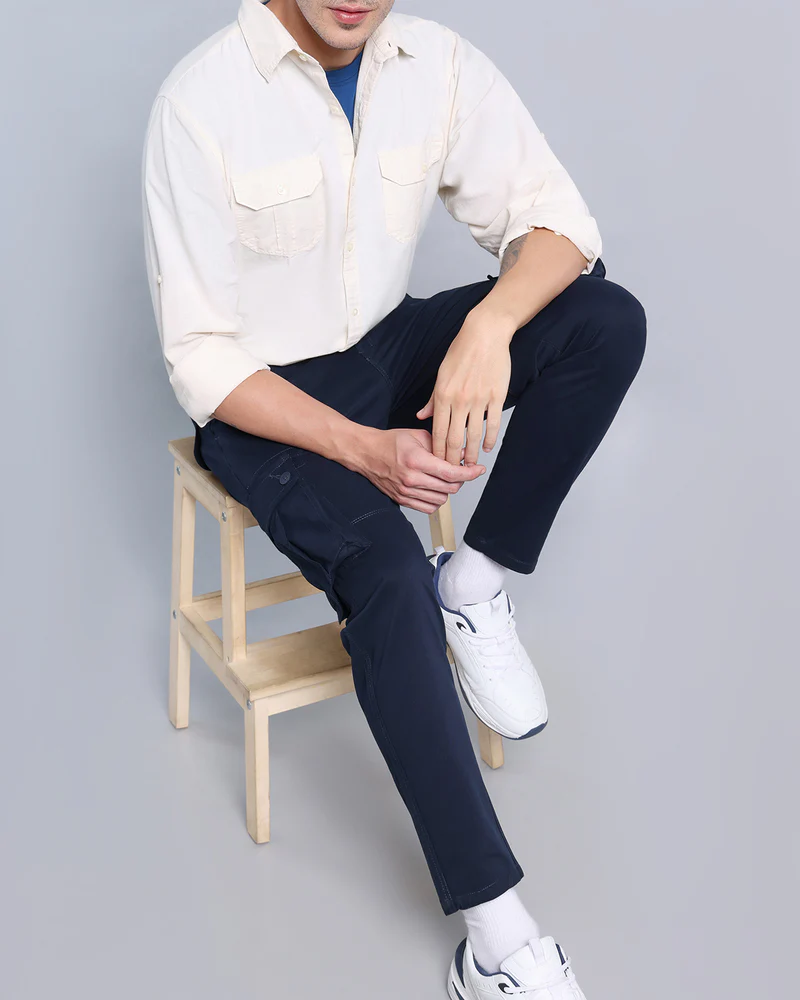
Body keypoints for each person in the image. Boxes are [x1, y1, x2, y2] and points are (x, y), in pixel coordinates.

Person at [142, 1, 647, 996]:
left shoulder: (435, 62)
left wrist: (487, 329)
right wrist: (363, 451)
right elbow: (198, 357)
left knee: (603, 319)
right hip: (261, 402)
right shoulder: (200, 102)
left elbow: (561, 227)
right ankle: (496, 937)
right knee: (385, 577)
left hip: (383, 345)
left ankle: (475, 580)